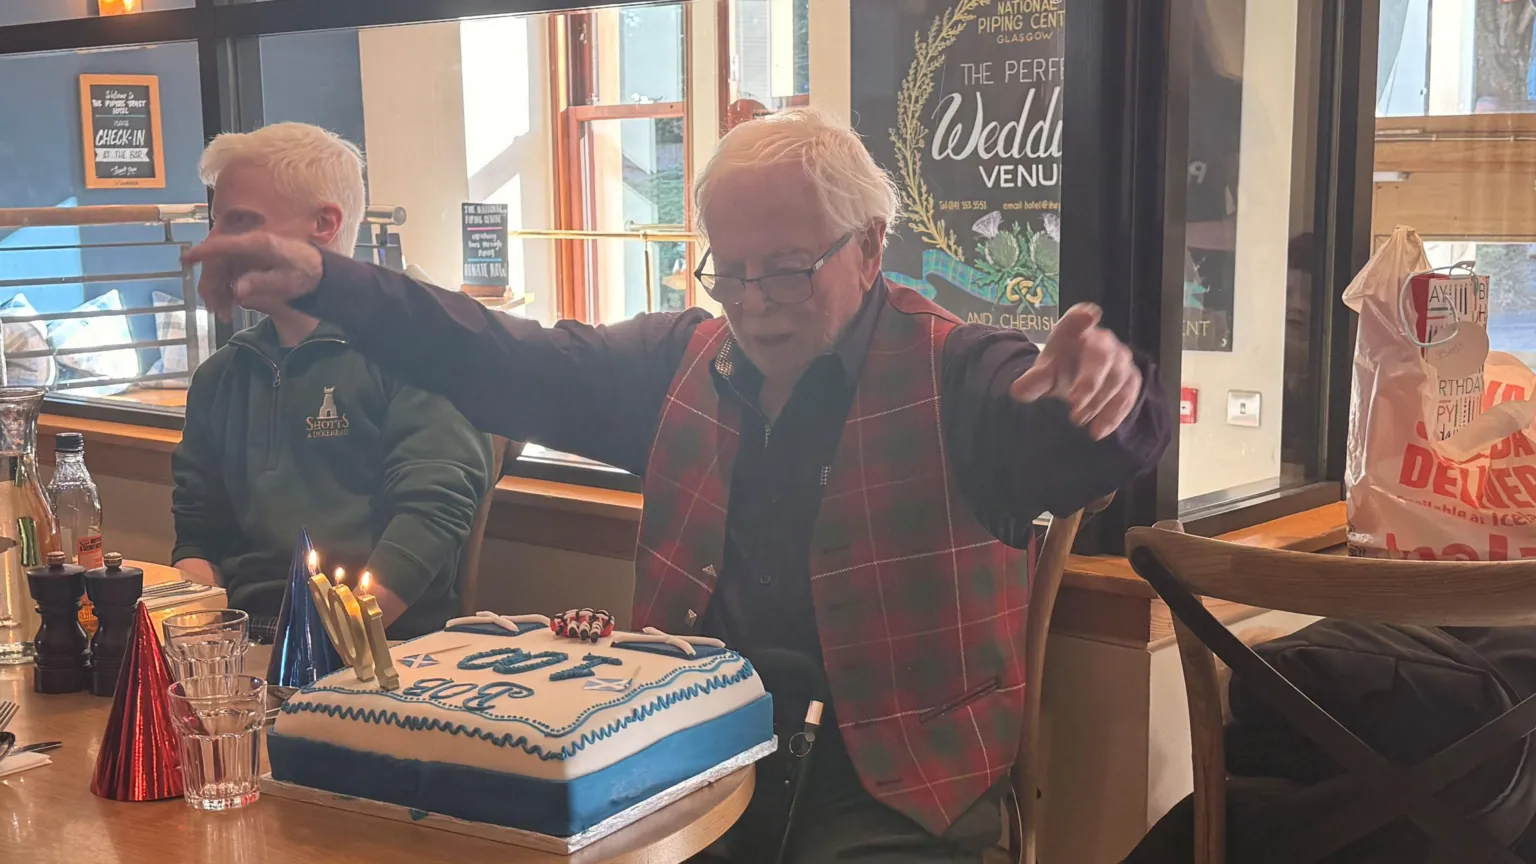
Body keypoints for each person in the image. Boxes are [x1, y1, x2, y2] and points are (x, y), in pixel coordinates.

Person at [186, 108, 1172, 862]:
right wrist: (328, 280)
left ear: (871, 247)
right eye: (728, 273)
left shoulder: (958, 370)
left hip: (896, 787)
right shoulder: (675, 361)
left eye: (788, 270)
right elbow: (497, 354)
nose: (754, 305)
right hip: (692, 754)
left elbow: (1071, 450)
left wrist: (1106, 402)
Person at [171, 122, 494, 639]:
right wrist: (191, 635)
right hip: (244, 638)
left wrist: (325, 642)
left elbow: (432, 513)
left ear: (324, 224)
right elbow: (198, 534)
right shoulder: (220, 376)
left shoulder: (415, 353)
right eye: (216, 223)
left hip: (380, 646)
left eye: (240, 222)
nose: (213, 245)